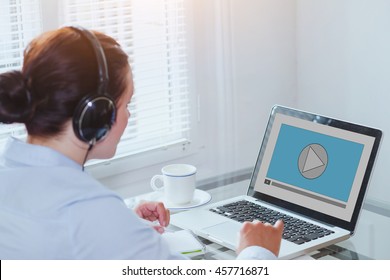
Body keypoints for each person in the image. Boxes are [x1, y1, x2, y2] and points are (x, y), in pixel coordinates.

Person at [0, 27, 283, 259]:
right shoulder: (89, 211)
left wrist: (125, 226)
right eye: (126, 104)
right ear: (97, 114)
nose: (128, 116)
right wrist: (257, 252)